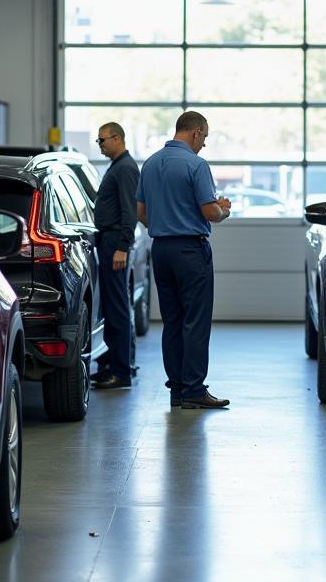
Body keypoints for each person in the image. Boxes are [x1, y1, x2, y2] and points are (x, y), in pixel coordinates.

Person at [136, 111, 232, 410]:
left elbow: (142, 214)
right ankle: (194, 390)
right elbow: (210, 213)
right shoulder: (196, 165)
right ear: (195, 132)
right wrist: (223, 210)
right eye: (204, 138)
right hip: (191, 252)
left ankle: (177, 389)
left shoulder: (150, 164)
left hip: (161, 250)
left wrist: (165, 221)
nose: (203, 144)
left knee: (173, 322)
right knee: (196, 322)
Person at [92, 122, 140, 390]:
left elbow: (129, 211)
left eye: (102, 140)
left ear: (117, 138)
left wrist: (122, 245)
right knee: (110, 306)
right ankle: (110, 365)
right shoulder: (118, 166)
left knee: (118, 308)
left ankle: (121, 372)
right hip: (108, 241)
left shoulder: (125, 168)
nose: (99, 145)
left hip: (114, 244)